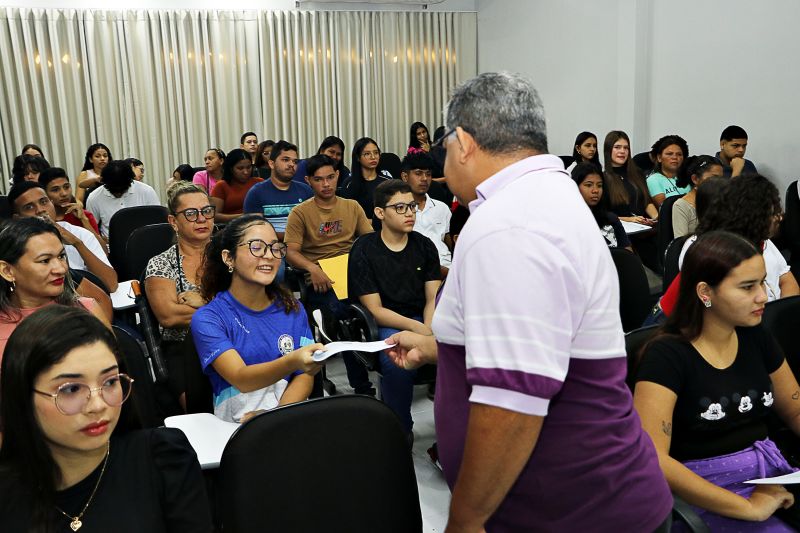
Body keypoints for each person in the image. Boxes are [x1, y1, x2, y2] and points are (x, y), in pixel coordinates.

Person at [385, 72, 672, 531]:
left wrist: (466, 519)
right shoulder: (546, 197)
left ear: (463, 142)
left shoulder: (509, 224)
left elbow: (513, 398)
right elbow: (544, 342)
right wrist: (441, 349)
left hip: (572, 513)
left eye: (444, 147)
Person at [634, 230, 800, 530]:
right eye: (748, 287)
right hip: (704, 495)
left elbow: (796, 410)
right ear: (705, 292)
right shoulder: (667, 355)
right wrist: (747, 507)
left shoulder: (755, 335)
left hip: (768, 482)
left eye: (762, 282)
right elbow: (653, 456)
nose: (763, 295)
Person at [0, 305, 213, 532]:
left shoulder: (164, 460)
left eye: (110, 382)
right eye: (71, 389)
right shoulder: (8, 495)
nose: (98, 405)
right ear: (23, 396)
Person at [191, 214, 324, 423]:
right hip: (236, 424)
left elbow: (304, 375)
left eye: (275, 248)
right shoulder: (209, 318)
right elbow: (241, 378)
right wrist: (293, 360)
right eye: (257, 247)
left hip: (290, 416)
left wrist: (275, 416)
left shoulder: (292, 308)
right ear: (229, 258)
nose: (269, 256)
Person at [349, 180, 441, 438]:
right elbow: (375, 309)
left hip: (424, 317)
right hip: (387, 321)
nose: (409, 213)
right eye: (400, 208)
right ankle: (400, 430)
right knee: (396, 360)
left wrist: (429, 327)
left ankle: (450, 428)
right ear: (380, 213)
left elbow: (432, 297)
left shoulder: (425, 245)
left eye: (412, 206)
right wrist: (419, 329)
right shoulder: (364, 249)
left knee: (455, 348)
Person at [284, 154, 375, 395]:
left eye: (330, 177)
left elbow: (368, 242)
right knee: (343, 316)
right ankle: (362, 386)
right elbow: (290, 252)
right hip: (321, 280)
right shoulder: (300, 213)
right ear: (308, 181)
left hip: (352, 274)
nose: (326, 184)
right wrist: (313, 268)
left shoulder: (352, 206)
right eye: (319, 179)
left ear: (337, 176)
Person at [145, 182, 213, 407]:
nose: (201, 219)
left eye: (206, 211)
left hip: (235, 338)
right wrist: (226, 307)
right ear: (173, 221)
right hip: (183, 348)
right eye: (191, 214)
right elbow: (170, 316)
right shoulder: (161, 263)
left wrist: (203, 301)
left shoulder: (231, 255)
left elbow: (252, 302)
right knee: (199, 411)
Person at [0, 217, 109, 356]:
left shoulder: (88, 310)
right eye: (45, 260)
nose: (61, 269)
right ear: (7, 271)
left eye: (61, 256)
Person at [10, 181, 118, 293]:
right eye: (29, 207)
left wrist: (77, 243)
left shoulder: (79, 234)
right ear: (17, 218)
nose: (40, 210)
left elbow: (111, 285)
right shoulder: (11, 245)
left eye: (44, 202)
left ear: (52, 203)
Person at [243, 140, 313, 239]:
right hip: (270, 246)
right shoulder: (256, 193)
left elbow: (313, 226)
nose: (291, 164)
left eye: (295, 161)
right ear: (271, 164)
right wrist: (291, 237)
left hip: (304, 245)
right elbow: (256, 231)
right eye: (285, 160)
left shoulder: (306, 190)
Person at [399, 152, 452, 273]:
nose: (424, 179)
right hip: (414, 270)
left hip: (447, 267)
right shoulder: (399, 210)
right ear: (405, 177)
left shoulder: (442, 208)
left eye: (428, 174)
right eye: (418, 173)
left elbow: (451, 245)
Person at [85, 160, 161, 240]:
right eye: (114, 190)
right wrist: (101, 239)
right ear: (104, 183)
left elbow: (158, 221)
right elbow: (91, 230)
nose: (118, 193)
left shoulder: (147, 191)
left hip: (145, 240)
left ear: (131, 181)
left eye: (122, 190)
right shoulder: (94, 198)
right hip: (111, 245)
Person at [571, 162, 632, 250]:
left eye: (599, 185)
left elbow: (628, 253)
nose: (595, 190)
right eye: (588, 185)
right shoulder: (568, 222)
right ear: (575, 186)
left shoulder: (611, 219)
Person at [603, 130, 658, 224]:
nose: (622, 151)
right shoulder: (603, 178)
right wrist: (630, 219)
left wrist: (656, 218)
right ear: (608, 150)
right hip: (620, 228)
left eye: (626, 148)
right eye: (617, 147)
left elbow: (647, 202)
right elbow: (604, 215)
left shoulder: (638, 173)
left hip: (644, 226)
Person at [39, 167, 104, 245]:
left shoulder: (85, 216)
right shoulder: (42, 220)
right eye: (55, 190)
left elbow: (103, 249)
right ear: (44, 193)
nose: (64, 193)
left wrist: (84, 220)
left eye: (66, 187)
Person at [342, 137, 393, 223]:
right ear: (358, 157)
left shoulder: (388, 182)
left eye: (376, 153)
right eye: (367, 154)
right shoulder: (349, 184)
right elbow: (346, 215)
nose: (373, 157)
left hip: (386, 227)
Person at [672, 155, 723, 238]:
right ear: (695, 179)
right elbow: (680, 241)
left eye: (721, 178)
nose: (719, 183)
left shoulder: (719, 201)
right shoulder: (681, 205)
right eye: (714, 178)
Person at [210, 148, 263, 222]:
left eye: (249, 167)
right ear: (231, 169)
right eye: (240, 168)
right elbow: (214, 216)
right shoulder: (221, 186)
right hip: (231, 225)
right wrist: (245, 216)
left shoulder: (259, 182)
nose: (246, 172)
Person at [646, 134, 691, 207]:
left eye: (679, 154)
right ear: (659, 158)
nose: (675, 157)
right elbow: (664, 206)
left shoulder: (689, 177)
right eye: (669, 154)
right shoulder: (653, 179)